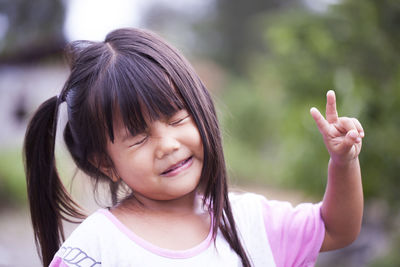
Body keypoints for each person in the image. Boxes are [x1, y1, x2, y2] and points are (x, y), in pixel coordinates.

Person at [23, 28, 364, 267]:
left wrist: (343, 163)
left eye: (176, 118)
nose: (167, 145)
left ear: (200, 107)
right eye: (139, 137)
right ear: (105, 163)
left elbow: (337, 228)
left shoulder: (251, 223)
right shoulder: (95, 250)